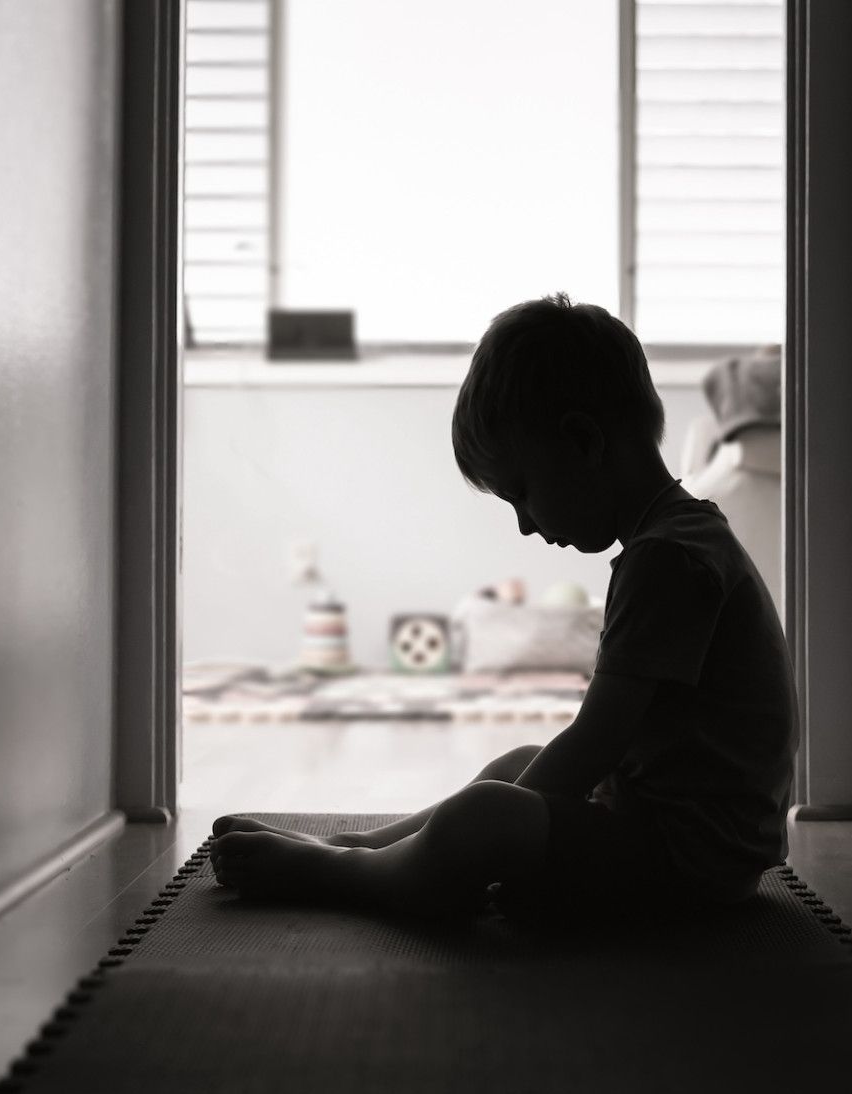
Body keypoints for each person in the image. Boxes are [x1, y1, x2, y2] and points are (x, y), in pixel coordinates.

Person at [210, 294, 798, 923]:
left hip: (690, 864)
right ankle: (362, 847)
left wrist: (495, 837)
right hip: (684, 838)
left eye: (521, 493)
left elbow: (597, 741)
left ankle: (346, 873)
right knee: (515, 767)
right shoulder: (681, 540)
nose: (523, 525)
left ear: (582, 441)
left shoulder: (669, 560)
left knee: (487, 813)